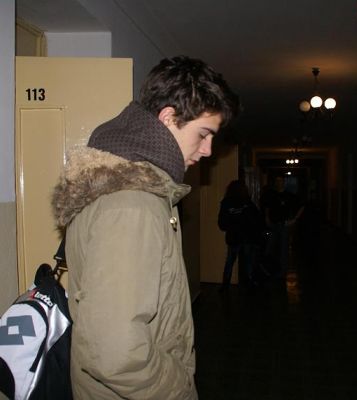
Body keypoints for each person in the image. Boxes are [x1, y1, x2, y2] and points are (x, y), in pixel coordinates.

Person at [51, 56, 239, 400]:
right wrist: (179, 389)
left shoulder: (131, 187)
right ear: (168, 118)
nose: (208, 150)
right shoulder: (133, 204)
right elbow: (114, 354)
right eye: (203, 134)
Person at [218, 180, 264, 290]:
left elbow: (222, 222)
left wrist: (231, 225)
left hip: (233, 237)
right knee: (248, 262)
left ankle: (225, 285)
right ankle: (250, 284)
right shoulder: (247, 203)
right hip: (247, 237)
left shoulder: (226, 202)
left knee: (230, 261)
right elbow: (257, 219)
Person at [261, 175, 304, 278]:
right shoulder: (271, 194)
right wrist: (267, 218)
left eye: (281, 181)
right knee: (269, 248)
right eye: (277, 180)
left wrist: (294, 220)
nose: (279, 183)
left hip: (284, 225)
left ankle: (282, 272)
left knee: (283, 250)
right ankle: (268, 269)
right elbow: (267, 206)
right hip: (273, 225)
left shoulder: (289, 195)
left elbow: (302, 206)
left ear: (284, 182)